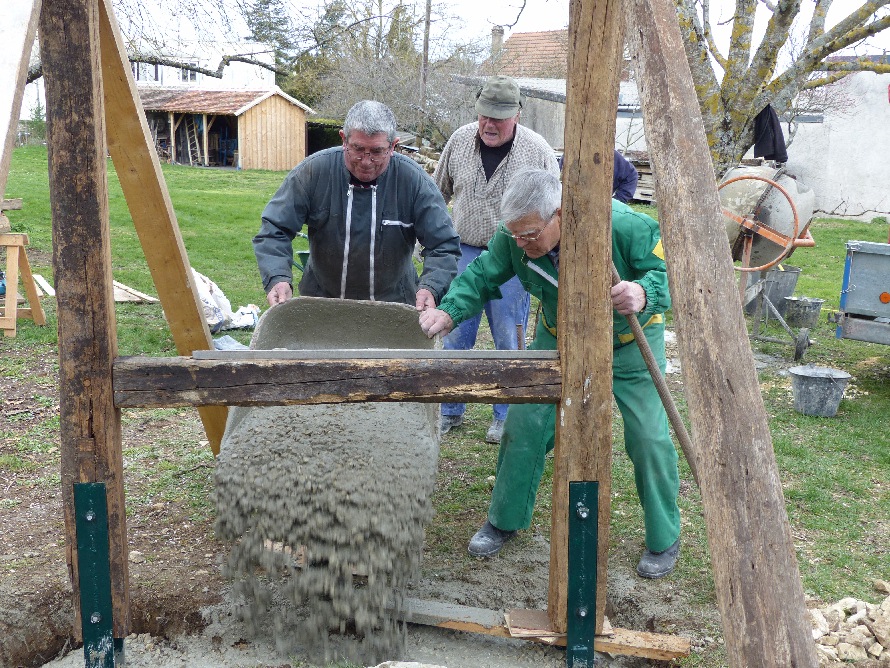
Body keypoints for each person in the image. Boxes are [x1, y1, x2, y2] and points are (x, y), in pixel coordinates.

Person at [418, 168, 682, 579]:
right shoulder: (515, 237)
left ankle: (664, 537)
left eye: (530, 235)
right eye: (516, 235)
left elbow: (670, 272)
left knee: (649, 436)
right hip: (558, 338)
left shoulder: (625, 226)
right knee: (523, 426)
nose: (521, 243)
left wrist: (643, 292)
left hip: (629, 342)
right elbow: (483, 273)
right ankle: (504, 519)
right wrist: (449, 312)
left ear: (560, 214)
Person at [433, 75, 560, 444]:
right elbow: (436, 193)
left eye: (499, 117)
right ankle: (449, 408)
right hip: (465, 248)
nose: (490, 124)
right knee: (455, 333)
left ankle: (506, 414)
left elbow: (555, 209)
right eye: (484, 115)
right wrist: (430, 245)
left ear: (517, 114)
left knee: (509, 337)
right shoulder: (458, 140)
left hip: (519, 253)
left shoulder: (537, 150)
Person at [254, 100, 460, 310]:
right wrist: (278, 276)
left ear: (393, 145)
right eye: (358, 149)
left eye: (377, 151)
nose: (366, 161)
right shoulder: (312, 173)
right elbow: (274, 228)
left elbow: (443, 245)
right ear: (343, 139)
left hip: (394, 309)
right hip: (321, 305)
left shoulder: (415, 182)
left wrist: (431, 287)